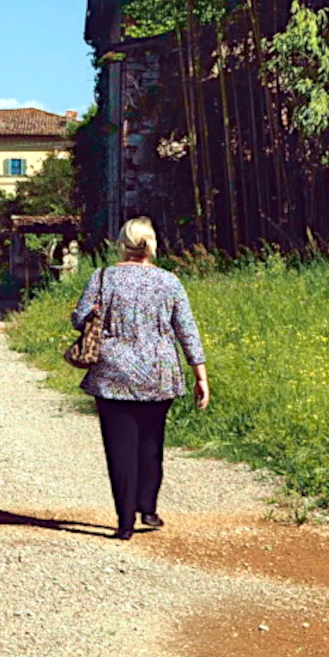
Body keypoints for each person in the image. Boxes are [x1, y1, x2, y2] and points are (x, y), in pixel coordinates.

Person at [71, 216, 209, 540]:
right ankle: (148, 507)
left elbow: (79, 319)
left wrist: (94, 314)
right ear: (152, 245)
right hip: (158, 372)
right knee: (151, 441)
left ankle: (124, 522)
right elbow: (186, 329)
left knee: (119, 448)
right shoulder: (169, 281)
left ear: (122, 243)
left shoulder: (104, 277)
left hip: (112, 371)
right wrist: (200, 374)